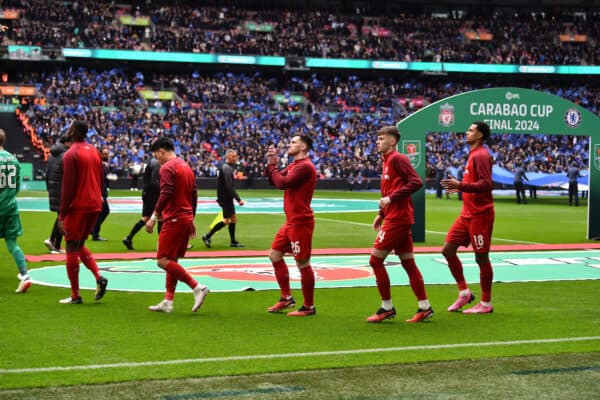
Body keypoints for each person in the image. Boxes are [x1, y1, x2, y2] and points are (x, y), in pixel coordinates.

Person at [365, 126, 433, 323]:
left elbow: (416, 182)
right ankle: (424, 306)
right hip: (396, 216)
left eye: (381, 138)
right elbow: (389, 189)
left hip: (398, 219)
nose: (377, 141)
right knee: (408, 262)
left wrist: (391, 199)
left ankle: (387, 307)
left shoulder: (397, 158)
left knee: (375, 261)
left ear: (392, 141)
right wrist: (381, 213)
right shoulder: (386, 160)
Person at [145, 137, 209, 313]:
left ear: (161, 151)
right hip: (185, 216)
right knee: (172, 259)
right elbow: (194, 194)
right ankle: (168, 300)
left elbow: (165, 193)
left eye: (156, 156)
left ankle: (197, 287)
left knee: (163, 260)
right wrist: (191, 217)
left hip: (174, 218)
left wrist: (153, 216)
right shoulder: (186, 166)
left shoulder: (167, 167)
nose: (157, 160)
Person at [441, 121, 495, 314]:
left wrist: (461, 185)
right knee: (447, 250)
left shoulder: (481, 155)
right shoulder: (473, 154)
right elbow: (473, 183)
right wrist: (458, 186)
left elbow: (487, 184)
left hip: (480, 215)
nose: (467, 132)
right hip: (467, 213)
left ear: (479, 135)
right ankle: (464, 293)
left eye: (471, 130)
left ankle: (486, 304)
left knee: (481, 258)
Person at [265, 134, 317, 317]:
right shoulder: (295, 165)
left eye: (294, 142)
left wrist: (273, 167)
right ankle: (286, 297)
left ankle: (309, 306)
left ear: (303, 147)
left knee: (302, 263)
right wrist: (272, 163)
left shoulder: (305, 167)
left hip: (301, 222)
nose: (290, 144)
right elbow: (274, 179)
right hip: (291, 222)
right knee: (275, 255)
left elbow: (282, 183)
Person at [58, 121, 108, 304]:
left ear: (73, 131)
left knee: (71, 246)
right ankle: (98, 277)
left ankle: (75, 295)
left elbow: (68, 186)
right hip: (95, 204)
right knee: (79, 245)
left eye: (70, 127)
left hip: (79, 205)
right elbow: (101, 179)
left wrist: (62, 214)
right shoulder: (94, 151)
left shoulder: (71, 154)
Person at [0, 129, 32, 293]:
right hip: (11, 207)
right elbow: (17, 187)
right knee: (12, 244)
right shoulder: (13, 159)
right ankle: (25, 275)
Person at [201, 149, 245, 248]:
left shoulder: (224, 167)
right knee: (226, 220)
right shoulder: (227, 168)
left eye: (235, 156)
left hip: (224, 197)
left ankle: (233, 241)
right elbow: (229, 186)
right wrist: (238, 199)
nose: (235, 158)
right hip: (225, 198)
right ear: (228, 157)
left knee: (233, 219)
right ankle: (207, 236)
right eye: (233, 156)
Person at [123, 156, 161, 250]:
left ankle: (129, 238)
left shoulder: (151, 161)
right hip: (153, 193)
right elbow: (155, 181)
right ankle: (162, 244)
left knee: (146, 217)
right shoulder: (156, 163)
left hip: (147, 192)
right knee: (161, 217)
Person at [44, 135, 71, 254]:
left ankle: (57, 245)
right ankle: (52, 240)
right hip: (62, 191)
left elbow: (47, 174)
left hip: (53, 190)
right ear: (67, 143)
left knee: (61, 216)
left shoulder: (52, 156)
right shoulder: (66, 156)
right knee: (62, 216)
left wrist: (49, 189)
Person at [90, 148, 110, 241]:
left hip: (102, 192)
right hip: (100, 192)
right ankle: (95, 233)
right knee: (103, 211)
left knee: (102, 212)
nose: (107, 155)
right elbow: (98, 180)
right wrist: (100, 194)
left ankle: (93, 229)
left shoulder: (103, 165)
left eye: (107, 154)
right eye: (105, 154)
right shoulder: (99, 165)